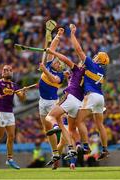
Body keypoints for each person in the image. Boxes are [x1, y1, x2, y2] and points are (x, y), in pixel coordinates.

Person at [70, 24, 110, 160]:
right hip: (100, 98)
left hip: (91, 96)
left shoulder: (92, 64)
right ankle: (105, 149)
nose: (95, 57)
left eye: (97, 56)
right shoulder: (102, 70)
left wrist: (73, 34)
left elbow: (78, 49)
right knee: (100, 125)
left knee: (79, 121)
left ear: (99, 59)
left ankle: (86, 145)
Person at [45, 44, 85, 164]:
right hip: (78, 103)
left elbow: (65, 60)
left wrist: (53, 52)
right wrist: (69, 79)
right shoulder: (87, 76)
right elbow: (76, 85)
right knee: (72, 129)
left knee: (50, 116)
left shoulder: (78, 69)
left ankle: (55, 126)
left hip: (70, 97)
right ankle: (77, 146)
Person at [0, 65, 26, 170]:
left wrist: (24, 92)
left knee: (11, 137)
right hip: (0, 112)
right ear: (2, 73)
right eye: (5, 70)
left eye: (9, 70)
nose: (7, 71)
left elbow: (22, 99)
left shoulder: (14, 85)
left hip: (10, 113)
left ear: (12, 72)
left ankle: (10, 159)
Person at [38, 28, 65, 166]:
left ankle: (66, 150)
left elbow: (54, 80)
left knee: (55, 124)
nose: (57, 62)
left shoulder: (60, 75)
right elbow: (52, 48)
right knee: (47, 130)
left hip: (51, 103)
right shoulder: (48, 64)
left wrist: (44, 71)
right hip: (41, 102)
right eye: (56, 61)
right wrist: (58, 36)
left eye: (59, 63)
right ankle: (55, 154)